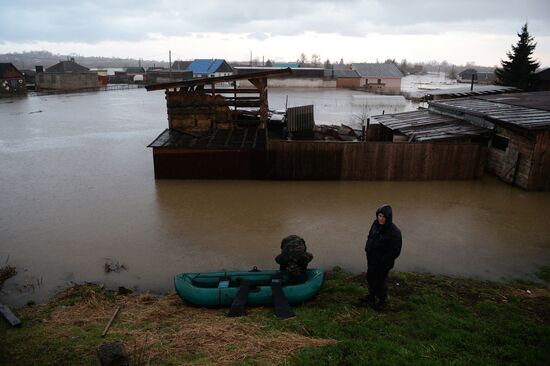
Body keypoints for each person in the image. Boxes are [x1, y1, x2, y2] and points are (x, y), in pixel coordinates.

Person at [364, 204, 402, 311]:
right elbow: (370, 236)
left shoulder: (395, 232)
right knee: (370, 277)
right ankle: (371, 296)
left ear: (388, 217)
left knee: (380, 282)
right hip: (371, 259)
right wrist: (367, 248)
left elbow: (395, 252)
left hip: (383, 263)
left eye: (383, 217)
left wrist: (383, 260)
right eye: (379, 216)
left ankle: (382, 301)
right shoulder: (375, 224)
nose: (381, 219)